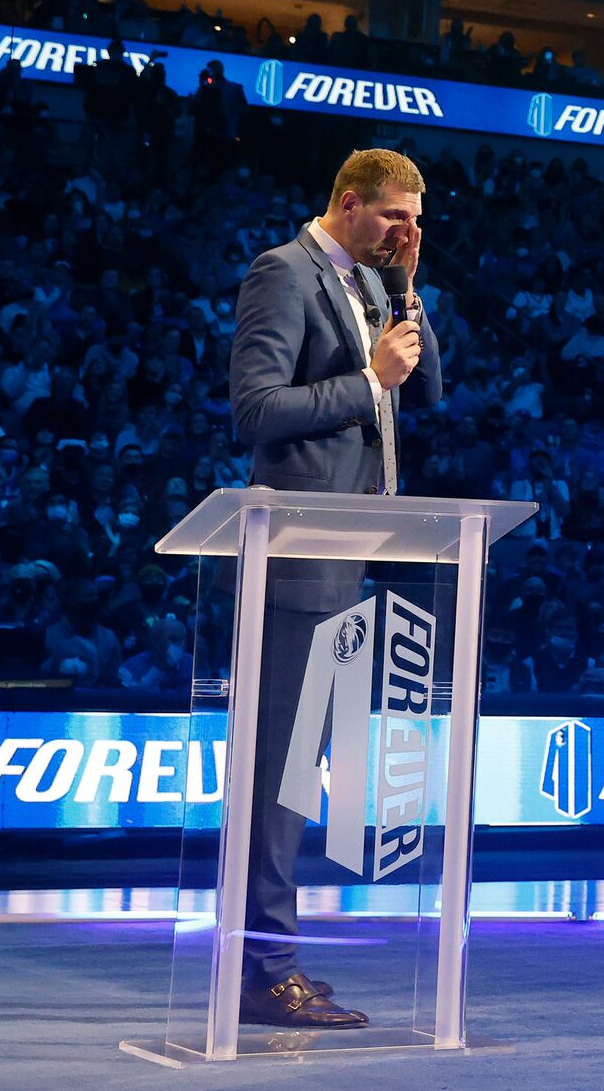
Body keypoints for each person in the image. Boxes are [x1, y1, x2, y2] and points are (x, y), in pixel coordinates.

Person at [227, 148, 444, 1028]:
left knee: (298, 773)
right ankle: (262, 967)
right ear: (348, 204)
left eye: (416, 219)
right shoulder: (284, 272)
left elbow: (426, 390)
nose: (407, 231)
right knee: (278, 773)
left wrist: (407, 295)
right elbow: (257, 409)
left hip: (351, 551)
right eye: (394, 216)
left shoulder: (371, 289)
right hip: (298, 556)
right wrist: (366, 381)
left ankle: (271, 961)